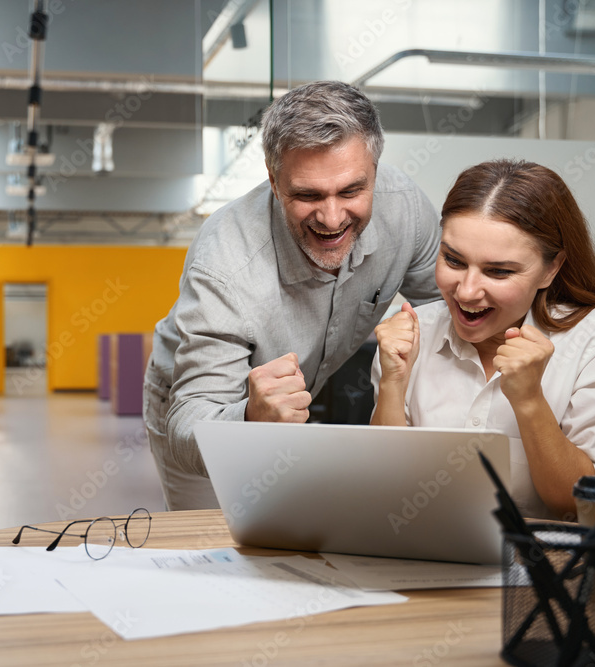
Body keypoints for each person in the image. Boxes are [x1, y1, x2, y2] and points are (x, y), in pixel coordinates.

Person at [144, 80, 443, 510]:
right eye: (308, 195)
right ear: (273, 179)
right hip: (202, 401)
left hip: (292, 397)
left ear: (374, 170)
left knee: (282, 533)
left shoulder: (406, 210)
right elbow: (190, 423)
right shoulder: (226, 264)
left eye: (352, 191)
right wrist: (250, 419)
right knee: (214, 543)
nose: (333, 218)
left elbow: (446, 310)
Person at [372, 159, 595, 520]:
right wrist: (393, 383)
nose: (467, 291)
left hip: (548, 572)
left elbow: (585, 507)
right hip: (418, 565)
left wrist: (529, 401)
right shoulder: (413, 334)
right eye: (454, 260)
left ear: (551, 269)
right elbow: (386, 493)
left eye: (498, 271)